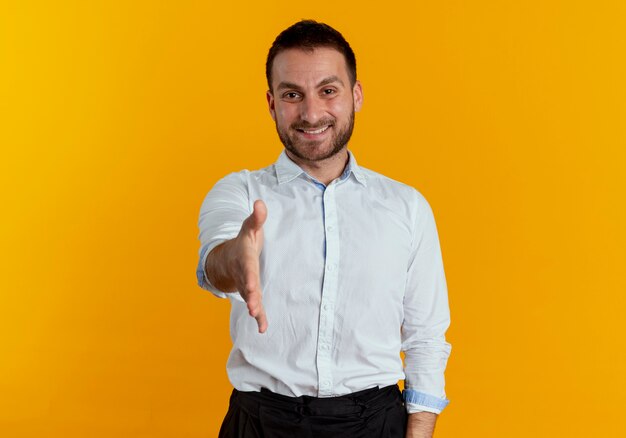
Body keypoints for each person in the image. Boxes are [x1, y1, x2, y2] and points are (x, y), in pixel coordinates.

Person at [196, 20, 451, 438]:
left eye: (328, 91)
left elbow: (426, 338)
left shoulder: (407, 207)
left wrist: (419, 432)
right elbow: (216, 263)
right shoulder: (239, 192)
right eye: (292, 94)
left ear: (356, 95)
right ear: (271, 103)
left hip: (377, 422)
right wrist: (235, 262)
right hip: (260, 424)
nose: (311, 113)